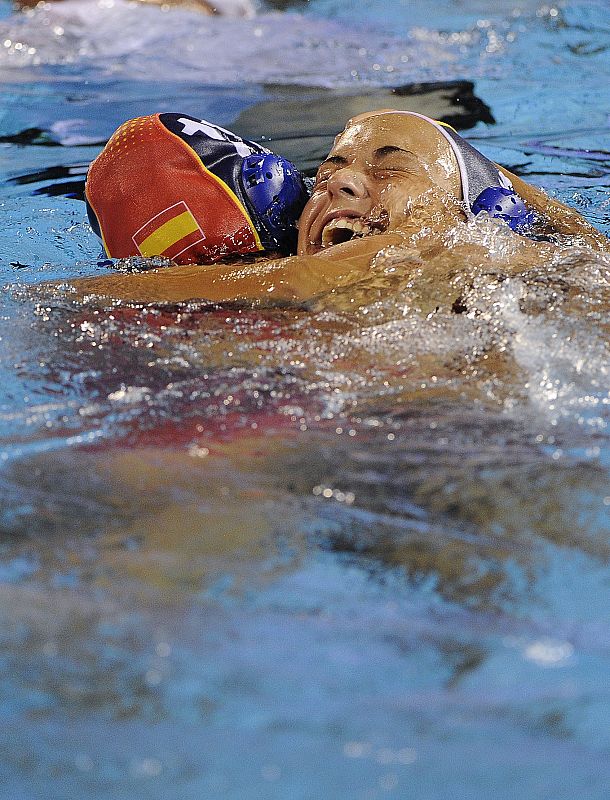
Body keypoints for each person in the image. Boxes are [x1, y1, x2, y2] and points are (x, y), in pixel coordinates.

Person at [67, 110, 609, 307]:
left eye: (391, 165)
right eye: (327, 170)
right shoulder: (272, 300)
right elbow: (79, 302)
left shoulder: (516, 276)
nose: (342, 181)